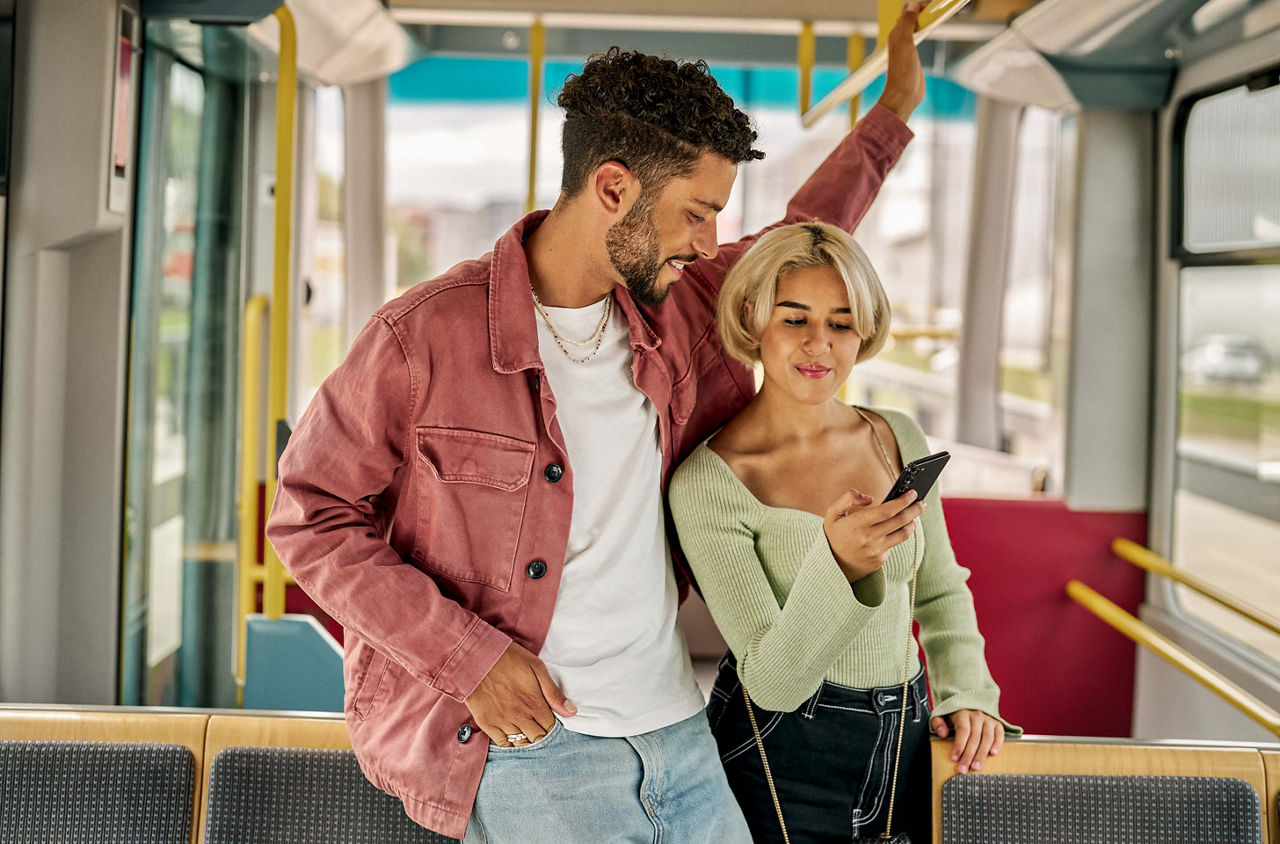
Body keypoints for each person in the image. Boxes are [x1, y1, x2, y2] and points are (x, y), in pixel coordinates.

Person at [265, 6, 926, 841]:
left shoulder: (679, 303)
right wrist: (470, 662)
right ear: (614, 188)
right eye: (696, 211)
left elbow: (802, 234)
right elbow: (310, 519)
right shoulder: (423, 337)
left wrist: (894, 109)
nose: (710, 238)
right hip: (532, 750)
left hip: (681, 736)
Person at [668, 221, 1021, 844]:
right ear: (753, 317)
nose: (818, 345)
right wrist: (840, 565)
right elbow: (773, 681)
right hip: (780, 749)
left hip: (908, 735)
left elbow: (939, 591)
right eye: (795, 318)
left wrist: (968, 692)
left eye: (841, 322)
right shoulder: (708, 483)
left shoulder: (895, 437)